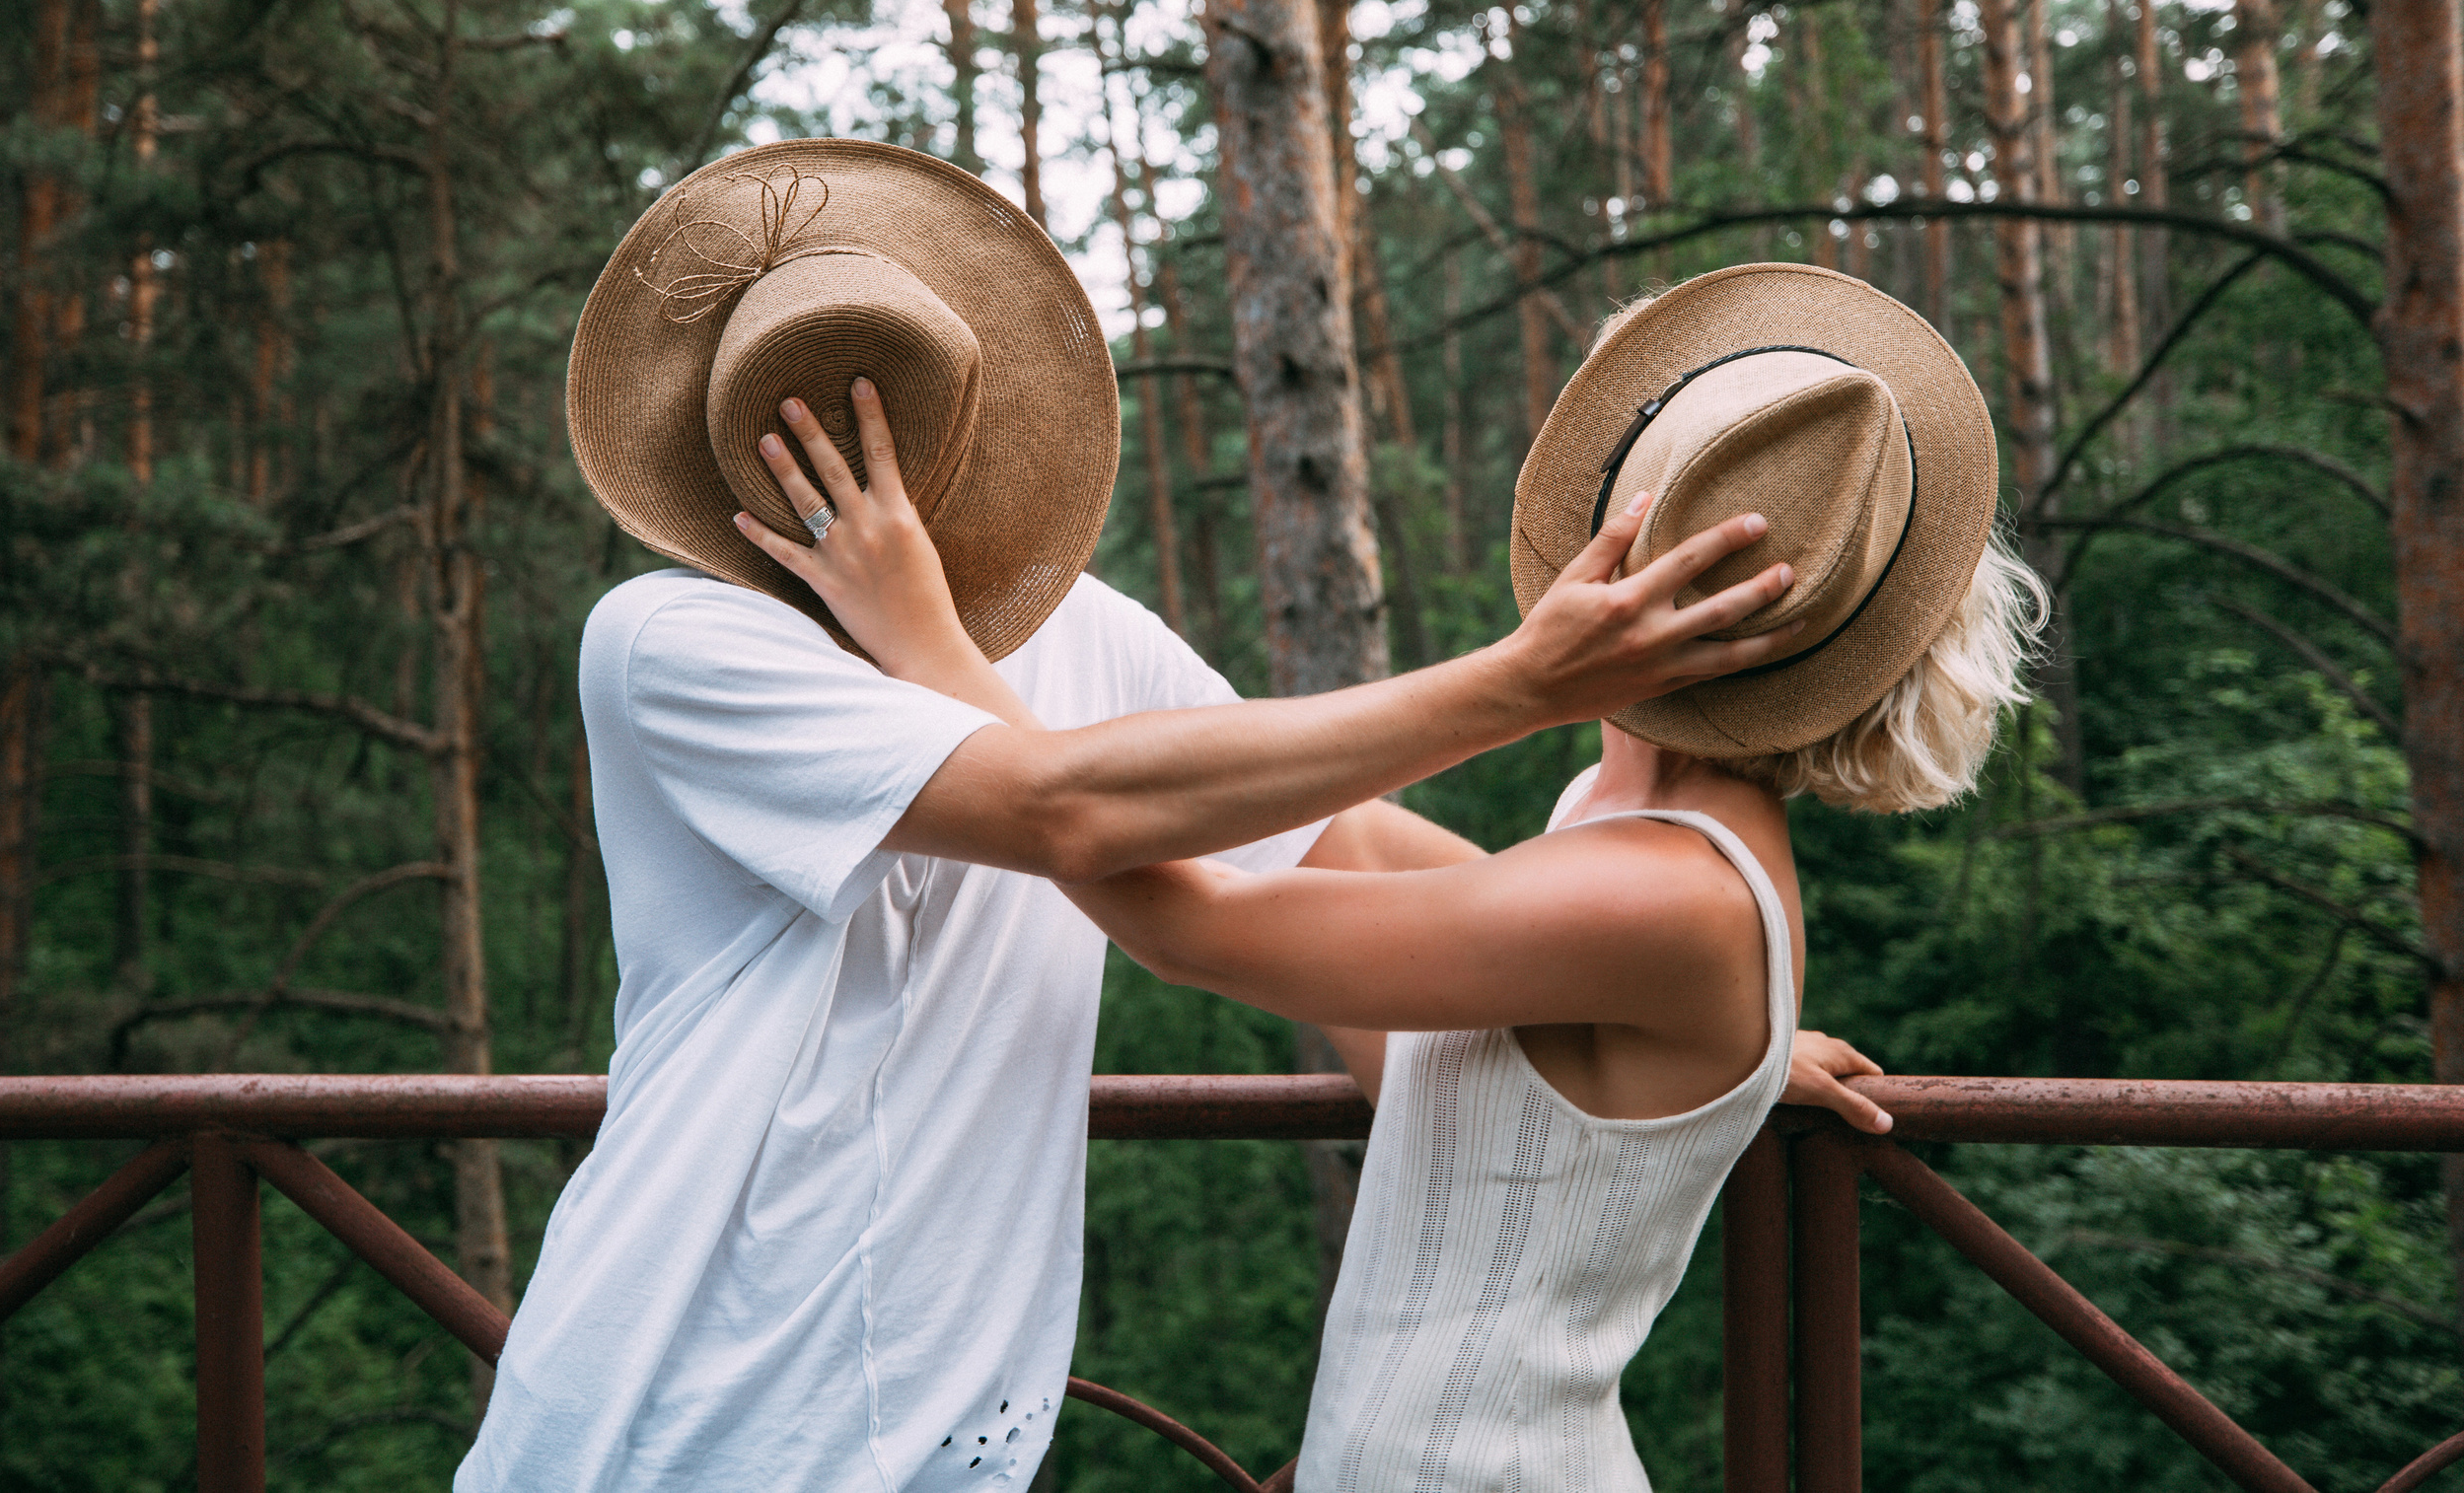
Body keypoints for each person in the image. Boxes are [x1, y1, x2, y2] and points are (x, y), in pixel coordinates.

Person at [462, 143, 1825, 1493]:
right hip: (664, 1426)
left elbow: (1349, 849)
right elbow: (1061, 810)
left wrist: (1663, 1018)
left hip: (954, 1444)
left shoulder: (1086, 637)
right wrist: (1521, 686)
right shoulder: (665, 643)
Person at [748, 261, 2042, 1492]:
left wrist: (929, 648)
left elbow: (1188, 920)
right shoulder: (1615, 821)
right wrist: (1735, 1059)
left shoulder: (1667, 896)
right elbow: (1351, 849)